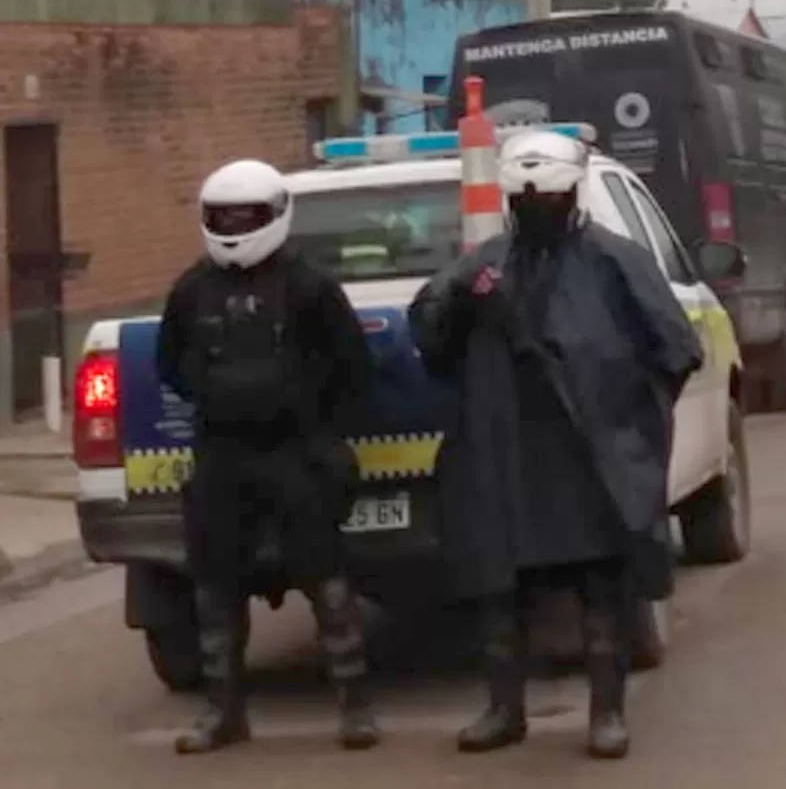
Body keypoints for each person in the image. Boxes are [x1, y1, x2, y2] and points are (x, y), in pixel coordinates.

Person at [408, 131, 703, 760]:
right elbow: (432, 342)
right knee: (498, 590)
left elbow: (675, 349)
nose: (538, 206)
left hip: (587, 455)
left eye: (550, 195)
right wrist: (464, 303)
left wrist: (626, 419)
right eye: (525, 197)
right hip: (503, 454)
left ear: (572, 192)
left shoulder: (615, 260)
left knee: (602, 587)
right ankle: (504, 710)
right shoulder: (481, 265)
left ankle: (607, 714)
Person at [157, 160, 378, 754]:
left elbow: (352, 368)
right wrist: (221, 400)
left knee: (327, 583)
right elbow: (170, 365)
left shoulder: (311, 288)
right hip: (222, 457)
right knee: (213, 588)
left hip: (295, 453)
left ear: (275, 216)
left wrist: (313, 423)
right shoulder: (191, 289)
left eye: (245, 217)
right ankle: (223, 713)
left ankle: (355, 709)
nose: (232, 227)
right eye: (221, 217)